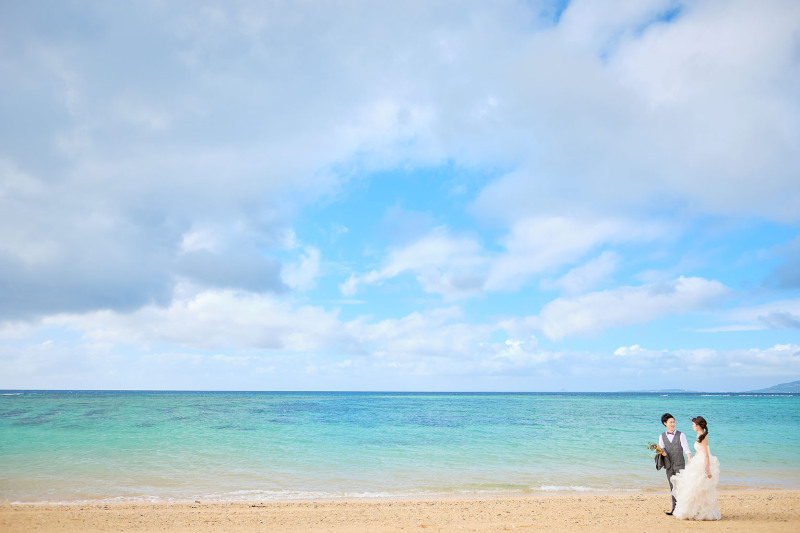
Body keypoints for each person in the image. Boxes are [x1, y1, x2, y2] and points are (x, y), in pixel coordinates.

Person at [670, 416, 721, 520]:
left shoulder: (703, 437)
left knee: (700, 487)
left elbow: (706, 455)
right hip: (697, 460)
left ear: (698, 426)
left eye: (693, 424)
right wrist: (692, 460)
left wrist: (707, 469)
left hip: (702, 463)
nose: (692, 426)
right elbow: (699, 451)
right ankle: (694, 510)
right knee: (693, 487)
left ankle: (700, 512)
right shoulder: (699, 435)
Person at [658, 413, 692, 515]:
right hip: (669, 466)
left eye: (673, 422)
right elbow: (661, 449)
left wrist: (689, 460)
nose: (673, 424)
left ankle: (684, 509)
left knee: (681, 486)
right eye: (670, 422)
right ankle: (674, 509)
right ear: (665, 423)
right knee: (672, 487)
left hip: (680, 464)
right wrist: (662, 452)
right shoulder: (662, 436)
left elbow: (686, 449)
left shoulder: (681, 435)